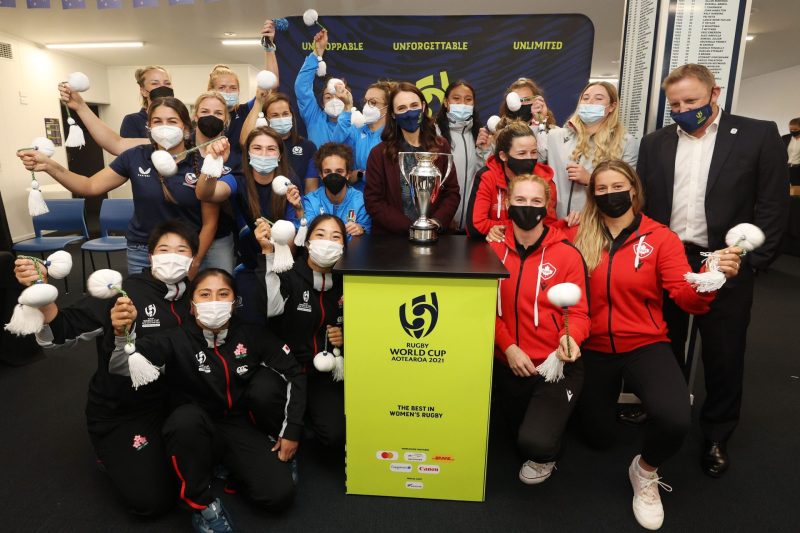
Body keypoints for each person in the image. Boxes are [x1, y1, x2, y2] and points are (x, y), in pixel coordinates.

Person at [568, 160, 741, 530]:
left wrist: (707, 282)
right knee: (597, 437)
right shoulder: (577, 234)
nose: (610, 194)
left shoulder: (661, 237)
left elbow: (684, 296)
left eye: (618, 186)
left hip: (645, 342)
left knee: (676, 418)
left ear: (633, 189)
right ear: (592, 195)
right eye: (601, 189)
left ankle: (644, 471)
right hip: (593, 344)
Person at [637, 63, 789, 478]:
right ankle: (662, 413)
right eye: (676, 104)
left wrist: (751, 262)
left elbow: (773, 206)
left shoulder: (758, 135)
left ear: (715, 94)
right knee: (661, 344)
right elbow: (646, 204)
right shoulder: (655, 143)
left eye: (692, 101)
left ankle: (717, 432)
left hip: (726, 260)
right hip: (668, 258)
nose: (684, 109)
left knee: (724, 351)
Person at [12, 220, 198, 518]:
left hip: (172, 400)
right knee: (152, 501)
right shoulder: (124, 293)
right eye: (164, 249)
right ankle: (107, 450)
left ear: (192, 258)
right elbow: (64, 329)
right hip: (122, 410)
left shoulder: (195, 296)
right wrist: (40, 291)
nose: (172, 256)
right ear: (150, 256)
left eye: (181, 250)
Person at [109, 268, 305, 532]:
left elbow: (295, 373)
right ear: (192, 306)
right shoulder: (173, 339)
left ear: (234, 304)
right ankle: (201, 505)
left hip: (236, 424)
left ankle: (229, 464)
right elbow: (121, 367)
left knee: (279, 495)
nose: (214, 301)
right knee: (184, 421)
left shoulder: (251, 334)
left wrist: (291, 430)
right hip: (193, 427)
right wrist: (124, 335)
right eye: (205, 294)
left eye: (223, 294)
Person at [18, 97, 223, 277]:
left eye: (172, 121)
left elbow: (209, 223)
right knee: (144, 311)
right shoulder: (135, 156)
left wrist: (195, 261)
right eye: (157, 121)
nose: (164, 127)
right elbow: (89, 186)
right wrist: (49, 166)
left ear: (186, 128)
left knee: (186, 311)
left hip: (186, 251)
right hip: (142, 250)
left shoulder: (203, 163)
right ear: (149, 128)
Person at [491, 173, 589, 488]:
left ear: (547, 205)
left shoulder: (566, 254)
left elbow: (579, 312)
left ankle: (548, 450)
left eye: (536, 201)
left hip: (554, 365)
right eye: (520, 200)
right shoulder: (490, 251)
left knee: (535, 443)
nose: (527, 207)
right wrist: (507, 346)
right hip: (509, 361)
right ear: (508, 202)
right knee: (506, 439)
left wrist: (571, 338)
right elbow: (480, 309)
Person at [253, 215, 346, 448]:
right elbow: (270, 308)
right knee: (260, 394)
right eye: (320, 235)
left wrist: (346, 336)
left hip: (322, 372)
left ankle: (301, 425)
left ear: (344, 245)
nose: (328, 242)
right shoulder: (288, 274)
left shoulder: (348, 282)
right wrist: (268, 252)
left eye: (336, 237)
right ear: (307, 242)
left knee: (334, 435)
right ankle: (278, 435)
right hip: (285, 370)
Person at [195, 126, 303, 270]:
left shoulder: (289, 183)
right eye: (257, 148)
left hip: (284, 262)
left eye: (271, 149)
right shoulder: (237, 180)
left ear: (280, 155)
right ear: (248, 153)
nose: (264, 154)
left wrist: (297, 211)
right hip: (247, 265)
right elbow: (204, 194)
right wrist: (213, 163)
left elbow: (293, 245)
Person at [364, 82, 460, 235]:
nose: (409, 112)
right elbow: (373, 201)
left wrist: (434, 223)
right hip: (393, 241)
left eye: (414, 105)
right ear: (393, 114)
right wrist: (411, 228)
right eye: (402, 108)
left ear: (423, 106)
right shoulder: (379, 153)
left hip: (435, 237)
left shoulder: (441, 146)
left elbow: (452, 192)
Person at [546, 81, 639, 219]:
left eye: (598, 98)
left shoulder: (625, 142)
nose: (590, 102)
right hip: (556, 223)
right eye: (586, 98)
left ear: (612, 106)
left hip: (597, 223)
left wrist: (591, 180)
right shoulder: (555, 136)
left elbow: (627, 190)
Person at [465, 120, 557, 242]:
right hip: (493, 250)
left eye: (534, 152)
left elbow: (549, 225)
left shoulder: (545, 180)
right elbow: (475, 226)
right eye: (522, 153)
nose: (529, 158)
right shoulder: (487, 176)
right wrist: (525, 227)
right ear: (503, 156)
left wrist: (500, 228)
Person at [434, 80, 487, 231]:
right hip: (442, 224)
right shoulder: (433, 134)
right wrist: (443, 217)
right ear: (446, 102)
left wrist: (483, 151)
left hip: (471, 226)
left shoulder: (480, 134)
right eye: (456, 99)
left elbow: (481, 180)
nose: (462, 104)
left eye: (468, 99)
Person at [241, 92, 319, 193]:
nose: (281, 118)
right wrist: (259, 102)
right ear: (266, 119)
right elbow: (244, 142)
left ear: (292, 115)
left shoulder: (308, 147)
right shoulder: (260, 146)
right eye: (275, 115)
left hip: (296, 202)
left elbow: (311, 190)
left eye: (285, 114)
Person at [295, 29, 351, 147]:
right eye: (328, 97)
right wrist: (317, 52)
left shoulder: (356, 121)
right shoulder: (314, 117)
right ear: (322, 103)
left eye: (339, 96)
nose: (334, 100)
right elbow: (301, 87)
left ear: (348, 98)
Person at [335, 80, 395, 192]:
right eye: (366, 101)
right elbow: (337, 147)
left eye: (373, 102)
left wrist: (360, 175)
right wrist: (348, 107)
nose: (367, 106)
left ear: (388, 107)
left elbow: (391, 176)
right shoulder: (358, 129)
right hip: (357, 200)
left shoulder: (393, 135)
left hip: (384, 198)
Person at [302, 142, 371, 240]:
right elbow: (310, 235)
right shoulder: (311, 201)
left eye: (339, 171)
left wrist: (361, 230)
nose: (333, 176)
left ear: (348, 174)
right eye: (327, 171)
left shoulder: (361, 202)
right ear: (321, 175)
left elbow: (367, 234)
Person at [120, 65, 173, 139]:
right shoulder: (133, 120)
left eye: (167, 83)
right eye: (155, 83)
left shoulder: (180, 118)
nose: (162, 87)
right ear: (143, 91)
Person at [783, 117, 800, 185]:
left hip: (798, 170)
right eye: (791, 129)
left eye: (795, 129)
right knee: (783, 189)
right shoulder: (784, 138)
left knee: (796, 192)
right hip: (785, 169)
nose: (793, 131)